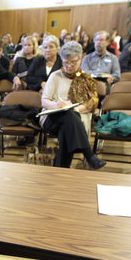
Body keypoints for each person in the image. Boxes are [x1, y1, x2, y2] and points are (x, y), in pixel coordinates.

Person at [39, 42, 105, 170]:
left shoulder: (86, 79)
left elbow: (93, 103)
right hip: (52, 118)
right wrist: (56, 104)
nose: (69, 66)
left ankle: (60, 170)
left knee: (67, 124)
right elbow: (44, 102)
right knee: (68, 116)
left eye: (73, 62)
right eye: (66, 62)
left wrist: (74, 109)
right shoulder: (55, 76)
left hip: (75, 120)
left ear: (81, 58)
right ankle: (89, 154)